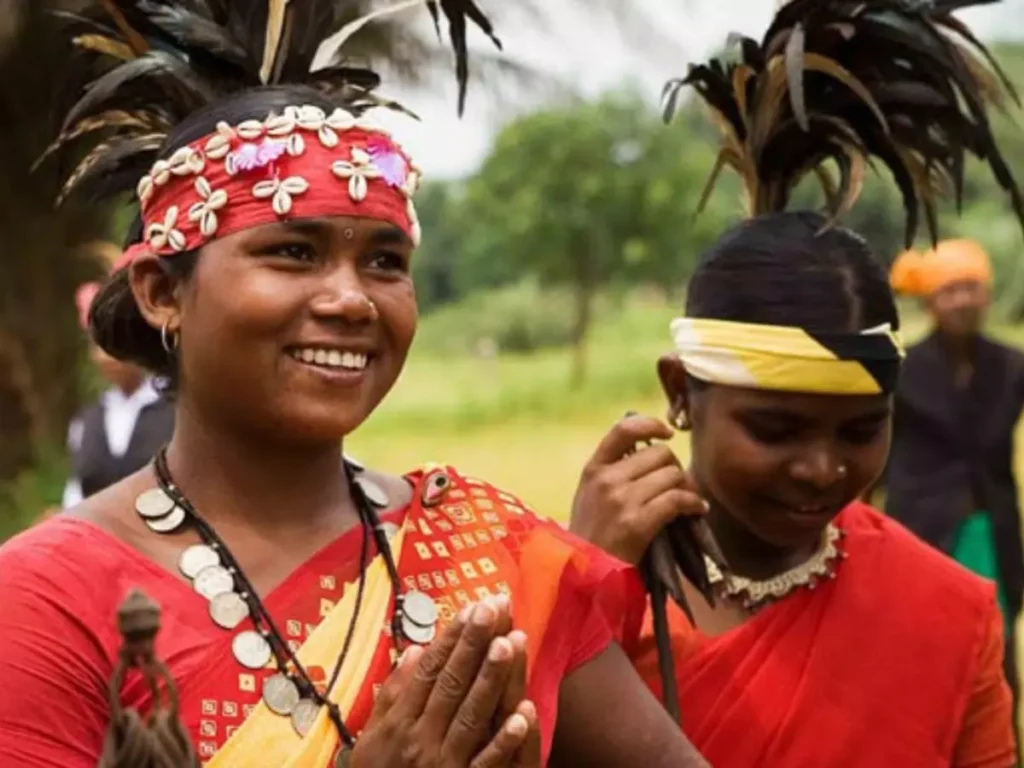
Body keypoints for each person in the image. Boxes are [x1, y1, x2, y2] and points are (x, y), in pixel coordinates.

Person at [0, 3, 706, 767]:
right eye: (293, 252)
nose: (352, 299)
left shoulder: (488, 553)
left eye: (384, 262)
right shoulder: (46, 599)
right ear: (161, 292)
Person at [569, 0, 1023, 765]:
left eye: (861, 429)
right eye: (776, 430)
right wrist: (575, 598)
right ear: (680, 392)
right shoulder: (579, 589)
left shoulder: (947, 611)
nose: (823, 469)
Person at [887, 239, 1024, 722]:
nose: (962, 301)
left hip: (992, 527)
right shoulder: (901, 370)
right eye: (950, 291)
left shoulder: (1011, 365)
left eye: (971, 288)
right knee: (925, 649)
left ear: (987, 295)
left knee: (998, 649)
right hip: (923, 527)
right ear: (930, 302)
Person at [63, 242, 174, 509]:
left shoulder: (177, 410)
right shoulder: (86, 422)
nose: (105, 357)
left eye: (112, 346)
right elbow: (75, 495)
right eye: (96, 347)